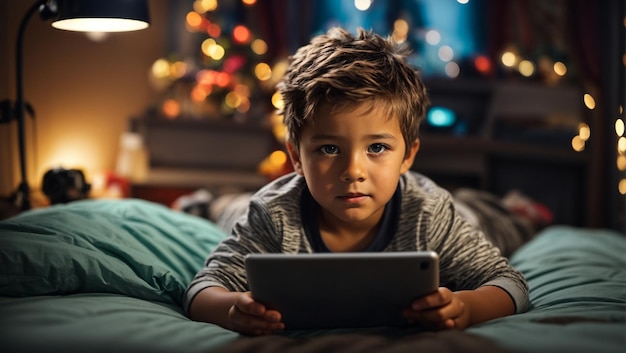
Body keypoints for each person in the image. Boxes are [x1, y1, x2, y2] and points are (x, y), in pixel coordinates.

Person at [183, 27, 529, 336]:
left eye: (377, 147)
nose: (353, 171)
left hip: (469, 213)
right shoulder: (273, 215)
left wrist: (466, 307)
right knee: (233, 209)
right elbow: (203, 289)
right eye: (329, 149)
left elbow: (508, 283)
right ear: (297, 157)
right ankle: (212, 201)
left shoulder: (429, 213)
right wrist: (231, 311)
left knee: (498, 220)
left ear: (408, 156)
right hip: (256, 203)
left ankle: (515, 209)